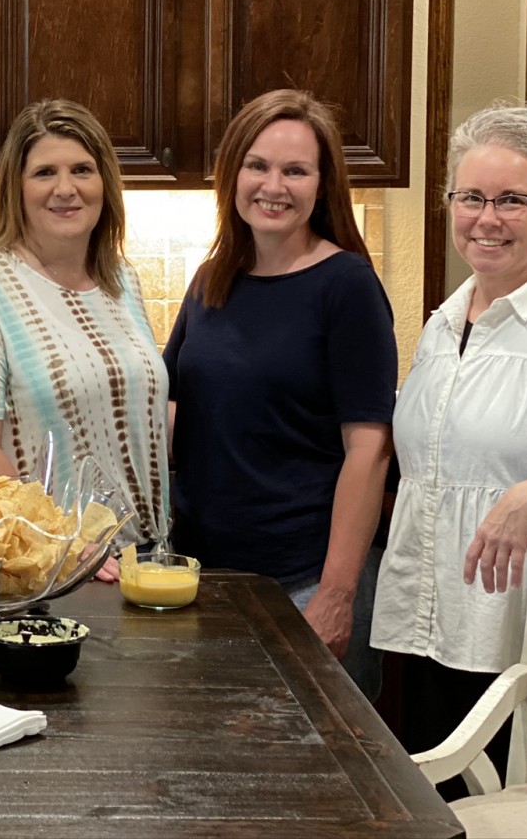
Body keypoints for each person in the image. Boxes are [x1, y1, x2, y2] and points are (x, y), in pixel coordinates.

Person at [372, 103, 527, 766]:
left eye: (512, 200)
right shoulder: (444, 323)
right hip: (432, 620)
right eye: (471, 198)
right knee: (438, 797)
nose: (487, 218)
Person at [163, 90, 396, 700]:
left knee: (322, 755)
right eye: (258, 165)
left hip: (303, 579)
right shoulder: (213, 279)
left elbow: (370, 449)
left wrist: (336, 594)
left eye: (296, 170)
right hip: (203, 577)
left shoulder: (346, 285)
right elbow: (172, 407)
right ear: (233, 175)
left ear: (323, 184)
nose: (274, 186)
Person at [0, 99, 167, 550]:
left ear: (104, 182)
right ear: (16, 188)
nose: (65, 188)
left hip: (145, 555)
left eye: (82, 170)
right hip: (48, 565)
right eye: (44, 173)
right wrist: (64, 548)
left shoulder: (122, 280)